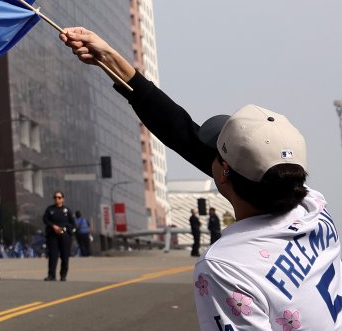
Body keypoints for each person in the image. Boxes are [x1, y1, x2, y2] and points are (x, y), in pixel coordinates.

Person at [61, 26, 339, 330]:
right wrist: (112, 61)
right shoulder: (314, 208)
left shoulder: (228, 266)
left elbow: (190, 141)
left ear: (222, 171)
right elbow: (184, 136)